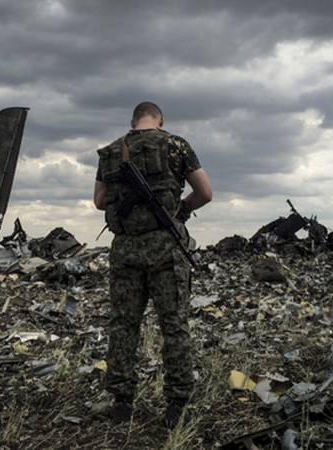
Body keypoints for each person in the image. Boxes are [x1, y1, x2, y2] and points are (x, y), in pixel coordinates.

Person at [93, 101, 213, 427]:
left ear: (132, 122)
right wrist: (181, 211)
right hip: (166, 248)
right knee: (174, 327)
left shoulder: (110, 152)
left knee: (123, 325)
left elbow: (100, 201)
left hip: (126, 250)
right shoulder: (176, 145)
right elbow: (205, 192)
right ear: (160, 120)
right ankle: (176, 406)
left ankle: (121, 403)